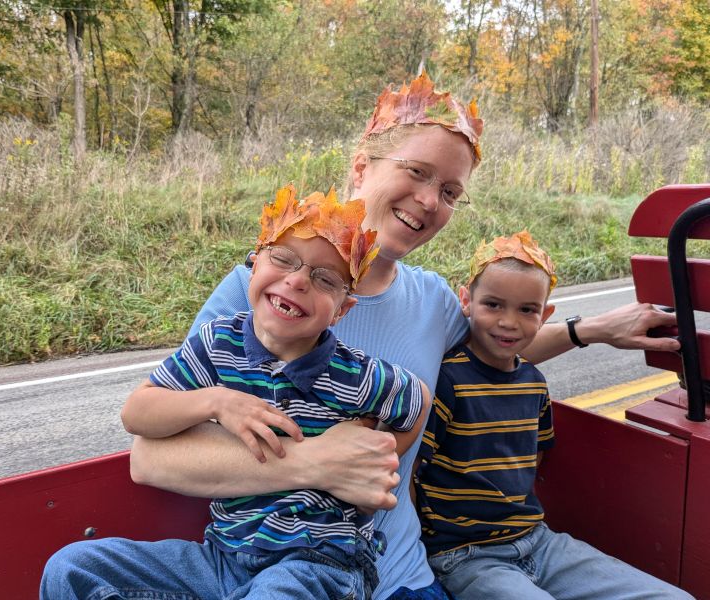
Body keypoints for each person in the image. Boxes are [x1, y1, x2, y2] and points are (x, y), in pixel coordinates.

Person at [127, 72, 680, 599]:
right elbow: (152, 459)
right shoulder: (266, 291)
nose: (430, 200)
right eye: (416, 172)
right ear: (362, 169)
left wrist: (596, 329)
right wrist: (317, 463)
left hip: (398, 575)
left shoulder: (431, 298)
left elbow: (504, 343)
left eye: (450, 191)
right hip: (267, 570)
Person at [40, 185, 430, 599]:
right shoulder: (215, 346)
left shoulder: (354, 374)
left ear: (341, 310)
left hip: (320, 562)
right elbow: (136, 413)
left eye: (324, 279)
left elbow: (418, 400)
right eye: (282, 259)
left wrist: (375, 468)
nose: (297, 280)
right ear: (253, 263)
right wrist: (215, 400)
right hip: (225, 558)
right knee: (73, 569)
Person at [415, 231, 692, 600]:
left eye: (527, 309)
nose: (509, 322)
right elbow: (414, 469)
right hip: (466, 556)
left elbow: (535, 455)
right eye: (493, 305)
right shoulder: (447, 381)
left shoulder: (534, 383)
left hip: (538, 542)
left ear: (545, 315)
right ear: (466, 300)